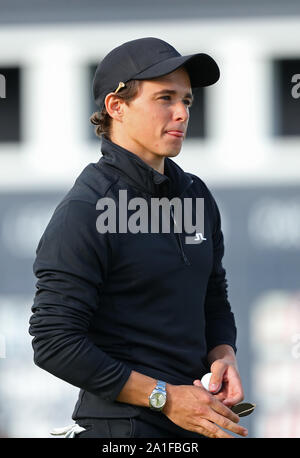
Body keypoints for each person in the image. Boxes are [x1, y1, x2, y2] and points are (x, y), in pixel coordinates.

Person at [28, 37, 248, 439]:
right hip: (119, 431)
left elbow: (213, 298)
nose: (181, 112)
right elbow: (53, 342)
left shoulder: (195, 194)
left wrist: (224, 355)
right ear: (116, 107)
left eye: (187, 100)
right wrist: (165, 397)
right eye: (164, 98)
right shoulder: (86, 209)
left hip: (196, 424)